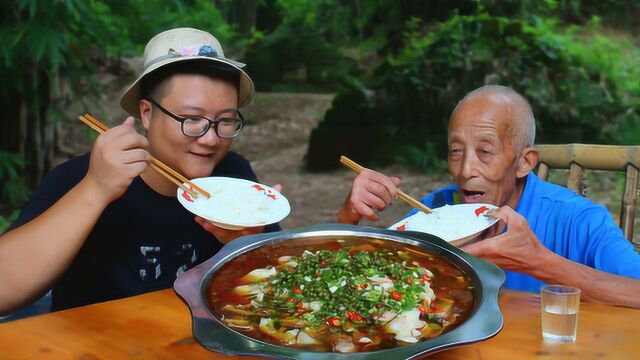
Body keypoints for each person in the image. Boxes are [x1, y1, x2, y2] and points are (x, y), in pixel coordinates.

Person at [0, 27, 281, 314]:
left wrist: (248, 245)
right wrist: (95, 190)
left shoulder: (235, 179)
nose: (210, 138)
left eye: (226, 121)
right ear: (146, 113)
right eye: (192, 118)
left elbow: (280, 290)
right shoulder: (81, 177)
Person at [337, 85, 640, 308]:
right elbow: (354, 280)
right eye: (456, 151)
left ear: (524, 162)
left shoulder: (577, 219)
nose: (466, 169)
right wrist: (350, 217)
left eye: (485, 152)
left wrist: (539, 263)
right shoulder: (435, 212)